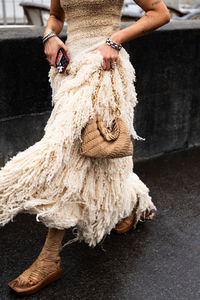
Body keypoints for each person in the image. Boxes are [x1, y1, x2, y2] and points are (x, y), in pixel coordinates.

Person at [0, 0, 170, 296]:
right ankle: (132, 203)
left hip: (104, 70)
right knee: (98, 158)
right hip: (70, 72)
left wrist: (113, 40)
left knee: (67, 155)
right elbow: (55, 15)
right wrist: (49, 36)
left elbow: (160, 13)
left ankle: (49, 256)